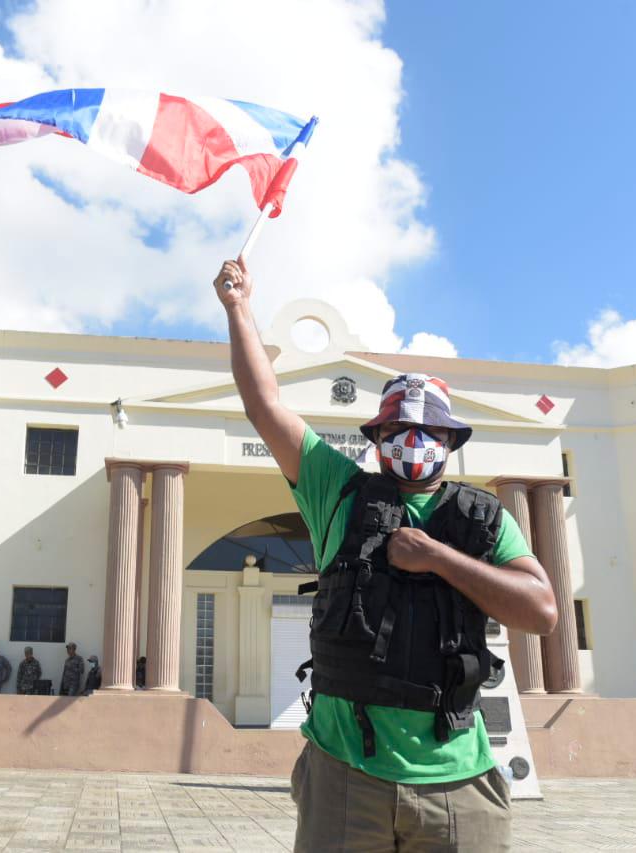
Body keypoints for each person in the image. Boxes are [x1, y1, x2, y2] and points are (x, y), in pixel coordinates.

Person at [214, 259, 558, 852]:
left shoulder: (482, 521)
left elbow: (542, 612)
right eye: (398, 427)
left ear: (450, 443)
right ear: (375, 441)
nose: (413, 440)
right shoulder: (337, 490)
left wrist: (439, 559)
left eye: (429, 430)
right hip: (345, 774)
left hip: (456, 777)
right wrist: (239, 308)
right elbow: (265, 407)